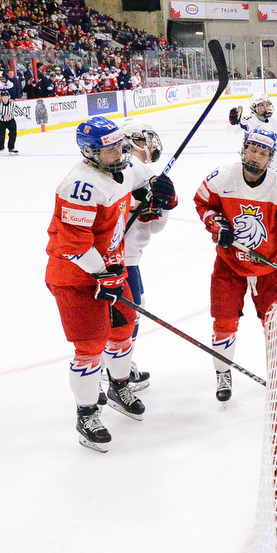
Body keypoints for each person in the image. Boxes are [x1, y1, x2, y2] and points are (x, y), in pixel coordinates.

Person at [44, 116, 163, 450]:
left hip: (111, 269)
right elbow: (74, 245)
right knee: (90, 347)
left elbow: (147, 178)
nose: (117, 154)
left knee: (123, 331)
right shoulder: (79, 186)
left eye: (119, 147)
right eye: (108, 151)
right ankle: (86, 414)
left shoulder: (125, 167)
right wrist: (102, 274)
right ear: (90, 153)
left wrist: (160, 190)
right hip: (75, 278)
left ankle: (119, 386)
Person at [193, 126, 277, 403]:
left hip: (269, 269)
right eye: (252, 149)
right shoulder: (222, 177)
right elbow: (202, 204)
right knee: (224, 321)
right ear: (243, 150)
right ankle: (223, 372)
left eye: (262, 153)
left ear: (270, 158)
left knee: (274, 323)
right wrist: (215, 222)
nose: (255, 156)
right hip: (229, 264)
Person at [118, 127, 175, 390]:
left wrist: (162, 205)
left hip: (129, 256)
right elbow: (116, 200)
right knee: (126, 314)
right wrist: (139, 201)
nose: (151, 143)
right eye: (146, 138)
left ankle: (118, 366)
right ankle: (116, 370)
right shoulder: (132, 166)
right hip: (120, 256)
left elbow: (154, 226)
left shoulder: (141, 172)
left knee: (131, 310)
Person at [0, 86, 20, 154]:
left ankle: (11, 147)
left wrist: (26, 115)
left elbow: (18, 110)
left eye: (6, 96)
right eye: (3, 97)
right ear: (1, 98)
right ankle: (0, 147)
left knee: (13, 133)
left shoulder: (12, 104)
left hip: (10, 120)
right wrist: (3, 117)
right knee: (0, 134)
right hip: (0, 121)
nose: (5, 98)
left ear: (8, 97)